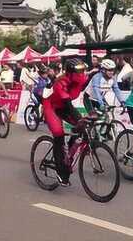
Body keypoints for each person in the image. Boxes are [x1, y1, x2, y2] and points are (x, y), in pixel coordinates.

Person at [41, 58, 88, 186]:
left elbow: (89, 95)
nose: (82, 73)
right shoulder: (60, 83)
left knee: (82, 128)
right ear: (70, 73)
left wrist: (91, 114)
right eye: (79, 71)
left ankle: (68, 156)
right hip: (51, 105)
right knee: (58, 134)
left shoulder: (83, 78)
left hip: (63, 105)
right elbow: (70, 108)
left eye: (83, 70)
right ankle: (60, 170)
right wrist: (81, 119)